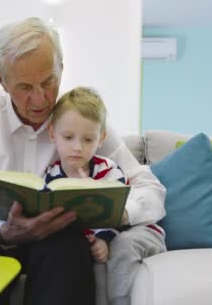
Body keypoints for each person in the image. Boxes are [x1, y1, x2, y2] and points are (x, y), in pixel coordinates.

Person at [0, 17, 166, 305]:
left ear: (62, 66)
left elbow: (150, 188)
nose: (41, 99)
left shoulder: (81, 124)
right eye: (25, 87)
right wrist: (5, 231)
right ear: (1, 79)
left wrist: (121, 212)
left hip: (55, 244)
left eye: (49, 81)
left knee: (68, 246)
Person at [44, 86, 166, 303]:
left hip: (133, 230)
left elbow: (114, 211)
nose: (78, 147)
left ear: (101, 139)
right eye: (68, 137)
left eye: (88, 140)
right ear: (53, 133)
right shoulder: (51, 175)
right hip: (90, 238)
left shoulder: (107, 169)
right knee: (89, 256)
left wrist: (103, 236)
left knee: (116, 250)